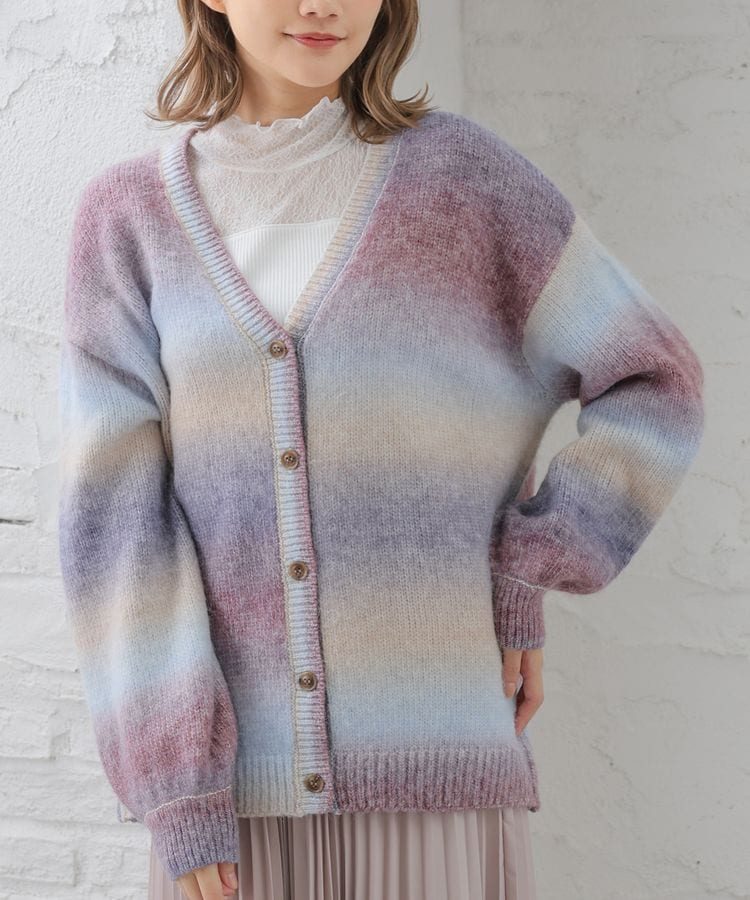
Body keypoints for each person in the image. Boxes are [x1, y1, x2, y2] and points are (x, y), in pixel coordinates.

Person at [56, 0, 705, 898]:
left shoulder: (466, 183)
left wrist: (530, 569)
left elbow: (654, 381)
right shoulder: (127, 221)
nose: (323, 4)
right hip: (231, 816)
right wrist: (176, 785)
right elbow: (116, 530)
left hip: (437, 778)